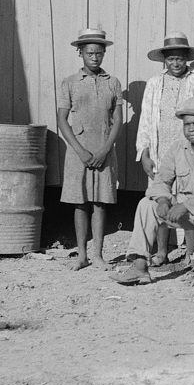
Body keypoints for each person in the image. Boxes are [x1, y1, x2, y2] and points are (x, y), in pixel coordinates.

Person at [113, 96, 194, 298]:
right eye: (187, 124)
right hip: (186, 207)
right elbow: (161, 180)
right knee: (146, 204)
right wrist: (163, 200)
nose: (191, 129)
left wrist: (186, 206)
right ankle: (139, 267)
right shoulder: (176, 148)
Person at [136, 32, 194, 266]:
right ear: (164, 60)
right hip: (162, 150)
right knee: (162, 199)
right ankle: (162, 250)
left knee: (188, 200)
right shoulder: (154, 83)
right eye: (171, 59)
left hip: (190, 150)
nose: (175, 63)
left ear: (187, 59)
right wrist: (145, 152)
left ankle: (191, 253)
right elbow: (146, 120)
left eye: (180, 58)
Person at [57, 29, 124, 271]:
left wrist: (106, 149)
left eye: (99, 53)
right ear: (80, 53)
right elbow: (62, 120)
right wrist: (79, 150)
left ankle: (98, 255)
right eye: (89, 53)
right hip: (78, 150)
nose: (94, 57)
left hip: (104, 149)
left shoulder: (112, 83)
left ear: (104, 53)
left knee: (100, 202)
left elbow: (117, 119)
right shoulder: (70, 83)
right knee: (80, 202)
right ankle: (82, 255)